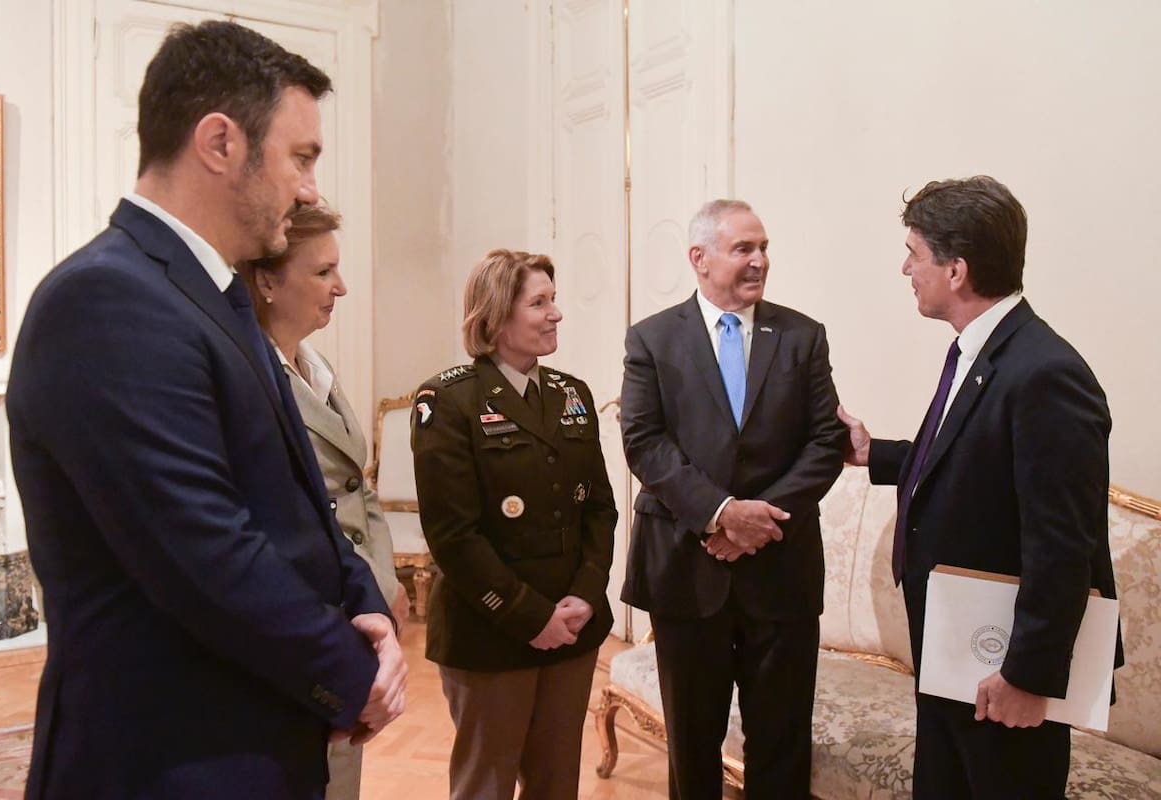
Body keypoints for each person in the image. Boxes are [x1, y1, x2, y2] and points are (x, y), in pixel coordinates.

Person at [5, 21, 406, 800]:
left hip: (248, 741)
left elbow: (299, 504)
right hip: (169, 760)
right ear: (220, 142)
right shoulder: (105, 298)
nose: (310, 187)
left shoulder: (215, 294)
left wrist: (370, 611)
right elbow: (203, 552)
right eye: (302, 156)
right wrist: (351, 672)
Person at [837, 175, 1122, 799]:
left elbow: (1063, 541)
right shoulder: (986, 351)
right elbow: (976, 464)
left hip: (1001, 671)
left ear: (956, 269)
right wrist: (873, 453)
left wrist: (1028, 675)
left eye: (914, 252)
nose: (905, 267)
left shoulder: (1046, 372)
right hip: (953, 656)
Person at [620, 199, 846, 798]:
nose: (759, 261)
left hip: (782, 571)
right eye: (743, 248)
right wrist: (721, 515)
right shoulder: (652, 339)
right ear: (700, 258)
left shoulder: (802, 336)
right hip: (688, 570)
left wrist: (759, 519)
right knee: (692, 747)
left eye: (764, 247)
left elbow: (828, 441)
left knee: (782, 739)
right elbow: (644, 443)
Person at [410, 249, 616, 800]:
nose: (556, 314)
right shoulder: (447, 399)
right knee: (487, 785)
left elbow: (599, 507)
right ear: (496, 317)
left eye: (554, 299)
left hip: (572, 626)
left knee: (555, 786)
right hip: (491, 630)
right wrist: (530, 616)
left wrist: (587, 594)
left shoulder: (573, 394)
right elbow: (453, 535)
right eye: (539, 302)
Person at [242, 203, 410, 800]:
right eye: (322, 272)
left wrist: (383, 584)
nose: (341, 287)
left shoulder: (314, 364)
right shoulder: (247, 373)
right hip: (306, 616)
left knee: (340, 778)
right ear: (266, 280)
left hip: (353, 605)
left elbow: (356, 488)